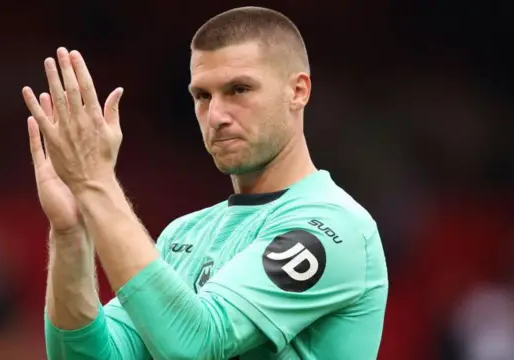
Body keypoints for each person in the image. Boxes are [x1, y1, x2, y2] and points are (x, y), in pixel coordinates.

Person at [22, 6, 388, 360]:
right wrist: (71, 234)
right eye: (202, 96)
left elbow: (196, 346)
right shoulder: (184, 234)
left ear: (298, 91)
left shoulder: (331, 228)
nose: (216, 116)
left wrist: (96, 185)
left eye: (239, 90)